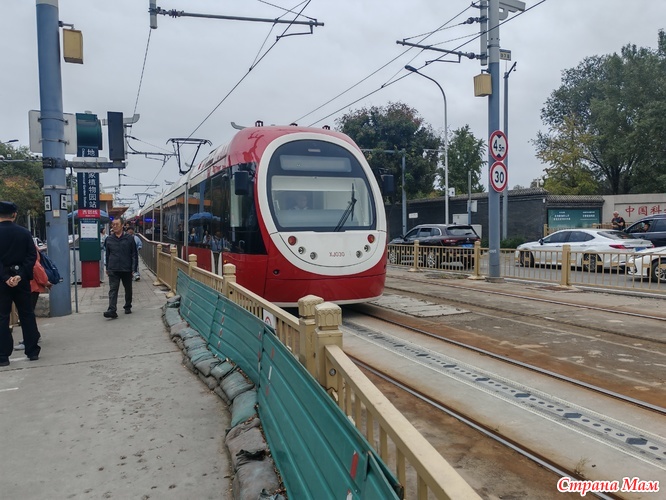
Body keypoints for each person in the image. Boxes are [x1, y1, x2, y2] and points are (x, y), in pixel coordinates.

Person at [0, 201, 41, 365]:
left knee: (2, 317)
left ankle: (3, 356)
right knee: (27, 314)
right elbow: (32, 256)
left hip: (1, 282)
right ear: (14, 215)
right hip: (21, 281)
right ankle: (32, 351)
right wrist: (19, 275)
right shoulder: (24, 233)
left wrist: (5, 277)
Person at [15, 241, 52, 351]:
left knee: (26, 315)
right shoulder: (30, 249)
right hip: (32, 287)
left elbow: (36, 268)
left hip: (31, 286)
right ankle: (34, 336)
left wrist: (45, 282)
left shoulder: (26, 251)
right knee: (28, 314)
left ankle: (29, 340)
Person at [104, 219, 138, 319]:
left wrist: (133, 268)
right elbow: (107, 255)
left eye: (117, 224)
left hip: (126, 268)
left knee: (128, 289)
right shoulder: (109, 239)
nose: (114, 226)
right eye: (113, 224)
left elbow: (134, 254)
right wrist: (107, 268)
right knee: (113, 290)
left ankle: (127, 306)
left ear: (122, 225)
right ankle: (112, 310)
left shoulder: (129, 238)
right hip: (113, 268)